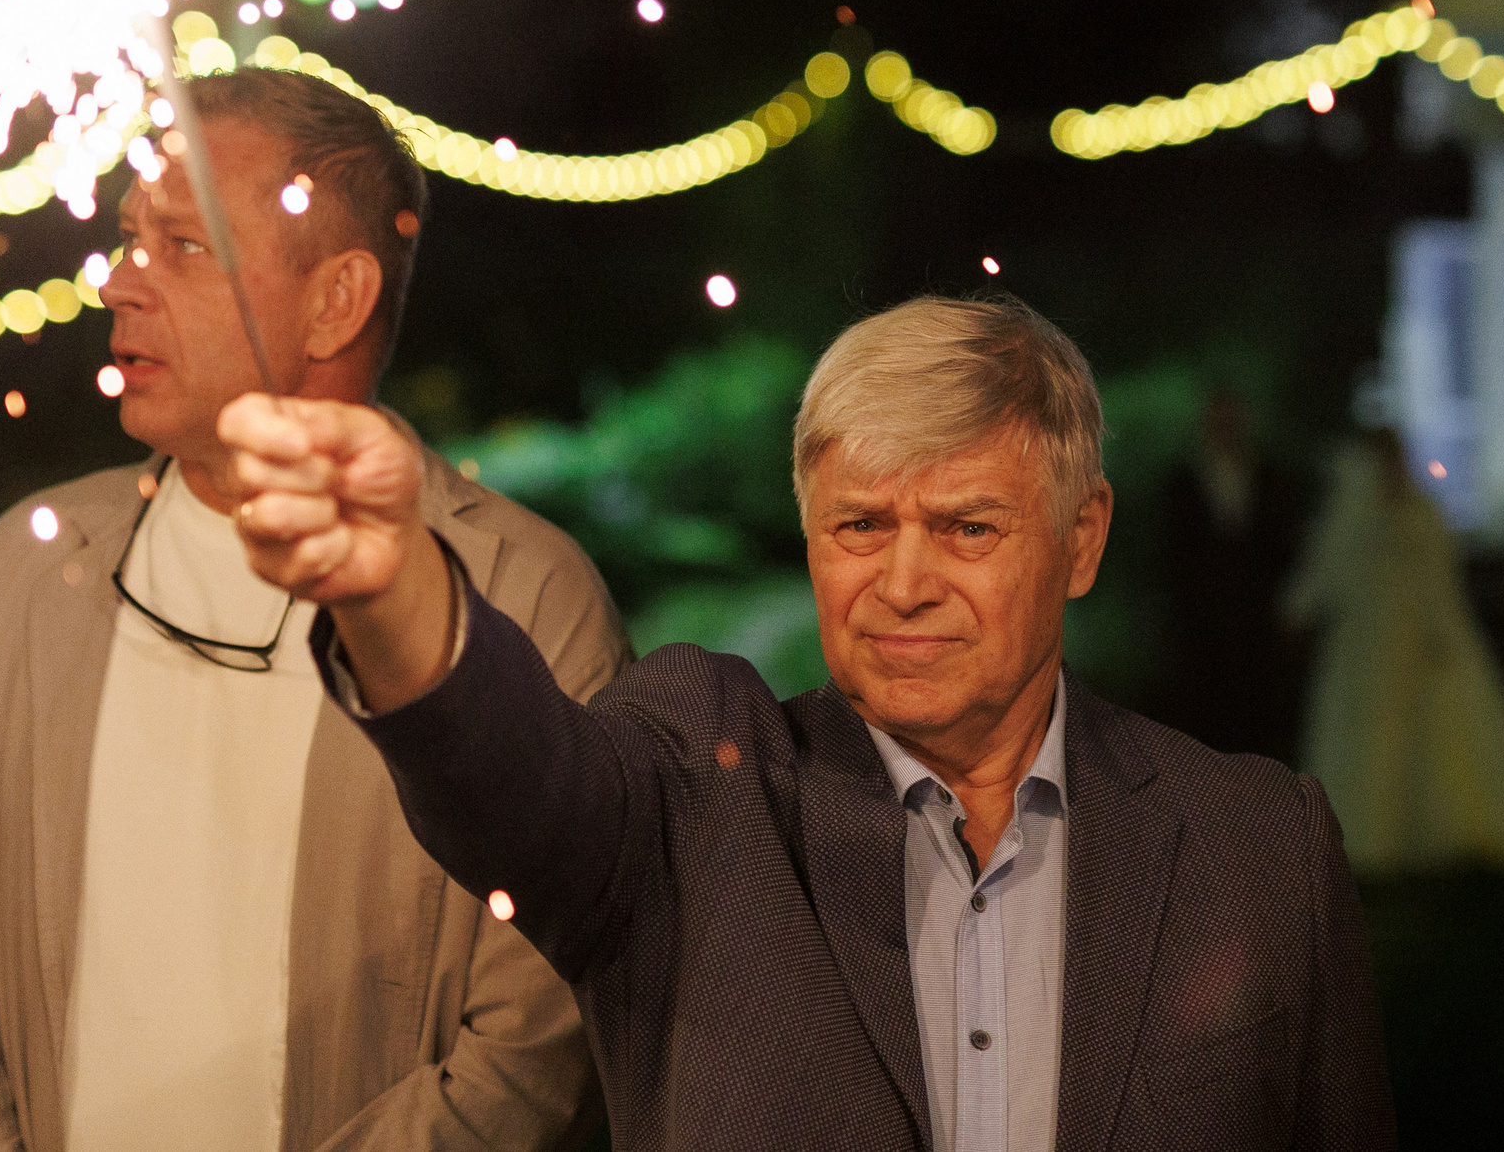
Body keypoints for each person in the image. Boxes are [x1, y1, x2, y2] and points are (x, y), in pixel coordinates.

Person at [220, 295, 1397, 1151]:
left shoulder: (1258, 845)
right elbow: (521, 788)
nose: (903, 580)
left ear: (1080, 540)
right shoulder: (700, 782)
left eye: (968, 528)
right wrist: (394, 589)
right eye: (860, 526)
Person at [0, 70, 629, 1152]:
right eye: (128, 238)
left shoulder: (518, 598)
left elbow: (537, 1045)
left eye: (184, 246)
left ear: (334, 300)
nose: (121, 283)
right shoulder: (17, 580)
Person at [1284, 426, 1504, 876]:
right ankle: (1371, 836)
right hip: (1368, 646)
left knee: (1438, 732)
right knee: (1371, 735)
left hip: (1417, 637)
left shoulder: (1420, 512)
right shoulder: (1359, 516)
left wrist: (1444, 634)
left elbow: (1441, 579)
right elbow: (1329, 573)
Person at [1148, 388, 1311, 761]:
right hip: (1201, 628)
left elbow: (1282, 549)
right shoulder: (1182, 481)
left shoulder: (1269, 477)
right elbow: (1171, 557)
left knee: (1254, 724)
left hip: (1255, 626)